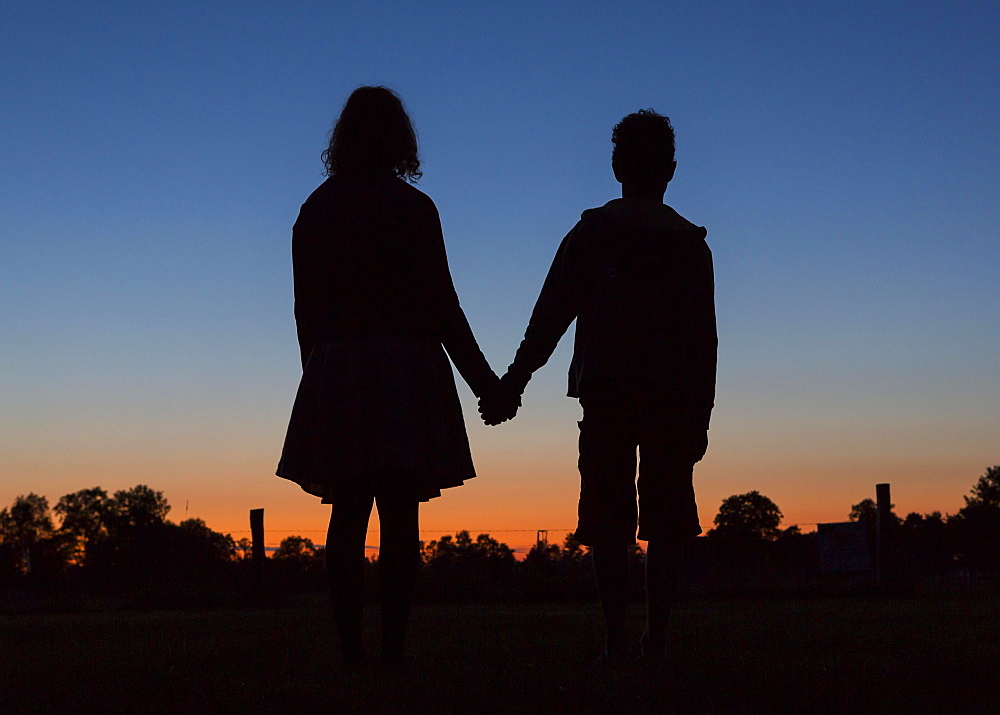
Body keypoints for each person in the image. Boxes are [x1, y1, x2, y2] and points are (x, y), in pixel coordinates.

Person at [480, 109, 717, 663]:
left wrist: (513, 382)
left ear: (616, 165)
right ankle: (653, 639)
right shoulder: (689, 246)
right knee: (665, 521)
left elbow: (549, 317)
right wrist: (701, 414)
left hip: (608, 395)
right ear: (672, 170)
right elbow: (703, 342)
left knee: (610, 520)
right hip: (671, 400)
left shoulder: (594, 233)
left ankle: (617, 638)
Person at [277, 86, 498, 670]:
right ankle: (392, 654)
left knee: (347, 514)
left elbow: (306, 310)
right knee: (401, 519)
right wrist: (487, 385)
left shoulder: (317, 210)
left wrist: (319, 378)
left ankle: (355, 654)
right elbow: (443, 307)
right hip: (404, 368)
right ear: (400, 138)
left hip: (341, 367)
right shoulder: (413, 209)